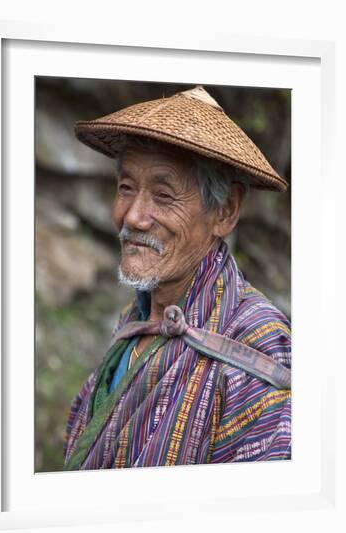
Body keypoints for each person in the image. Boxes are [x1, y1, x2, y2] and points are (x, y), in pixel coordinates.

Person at [63, 86, 291, 470]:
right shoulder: (136, 322)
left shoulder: (258, 345)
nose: (133, 216)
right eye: (126, 188)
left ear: (226, 211)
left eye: (164, 196)